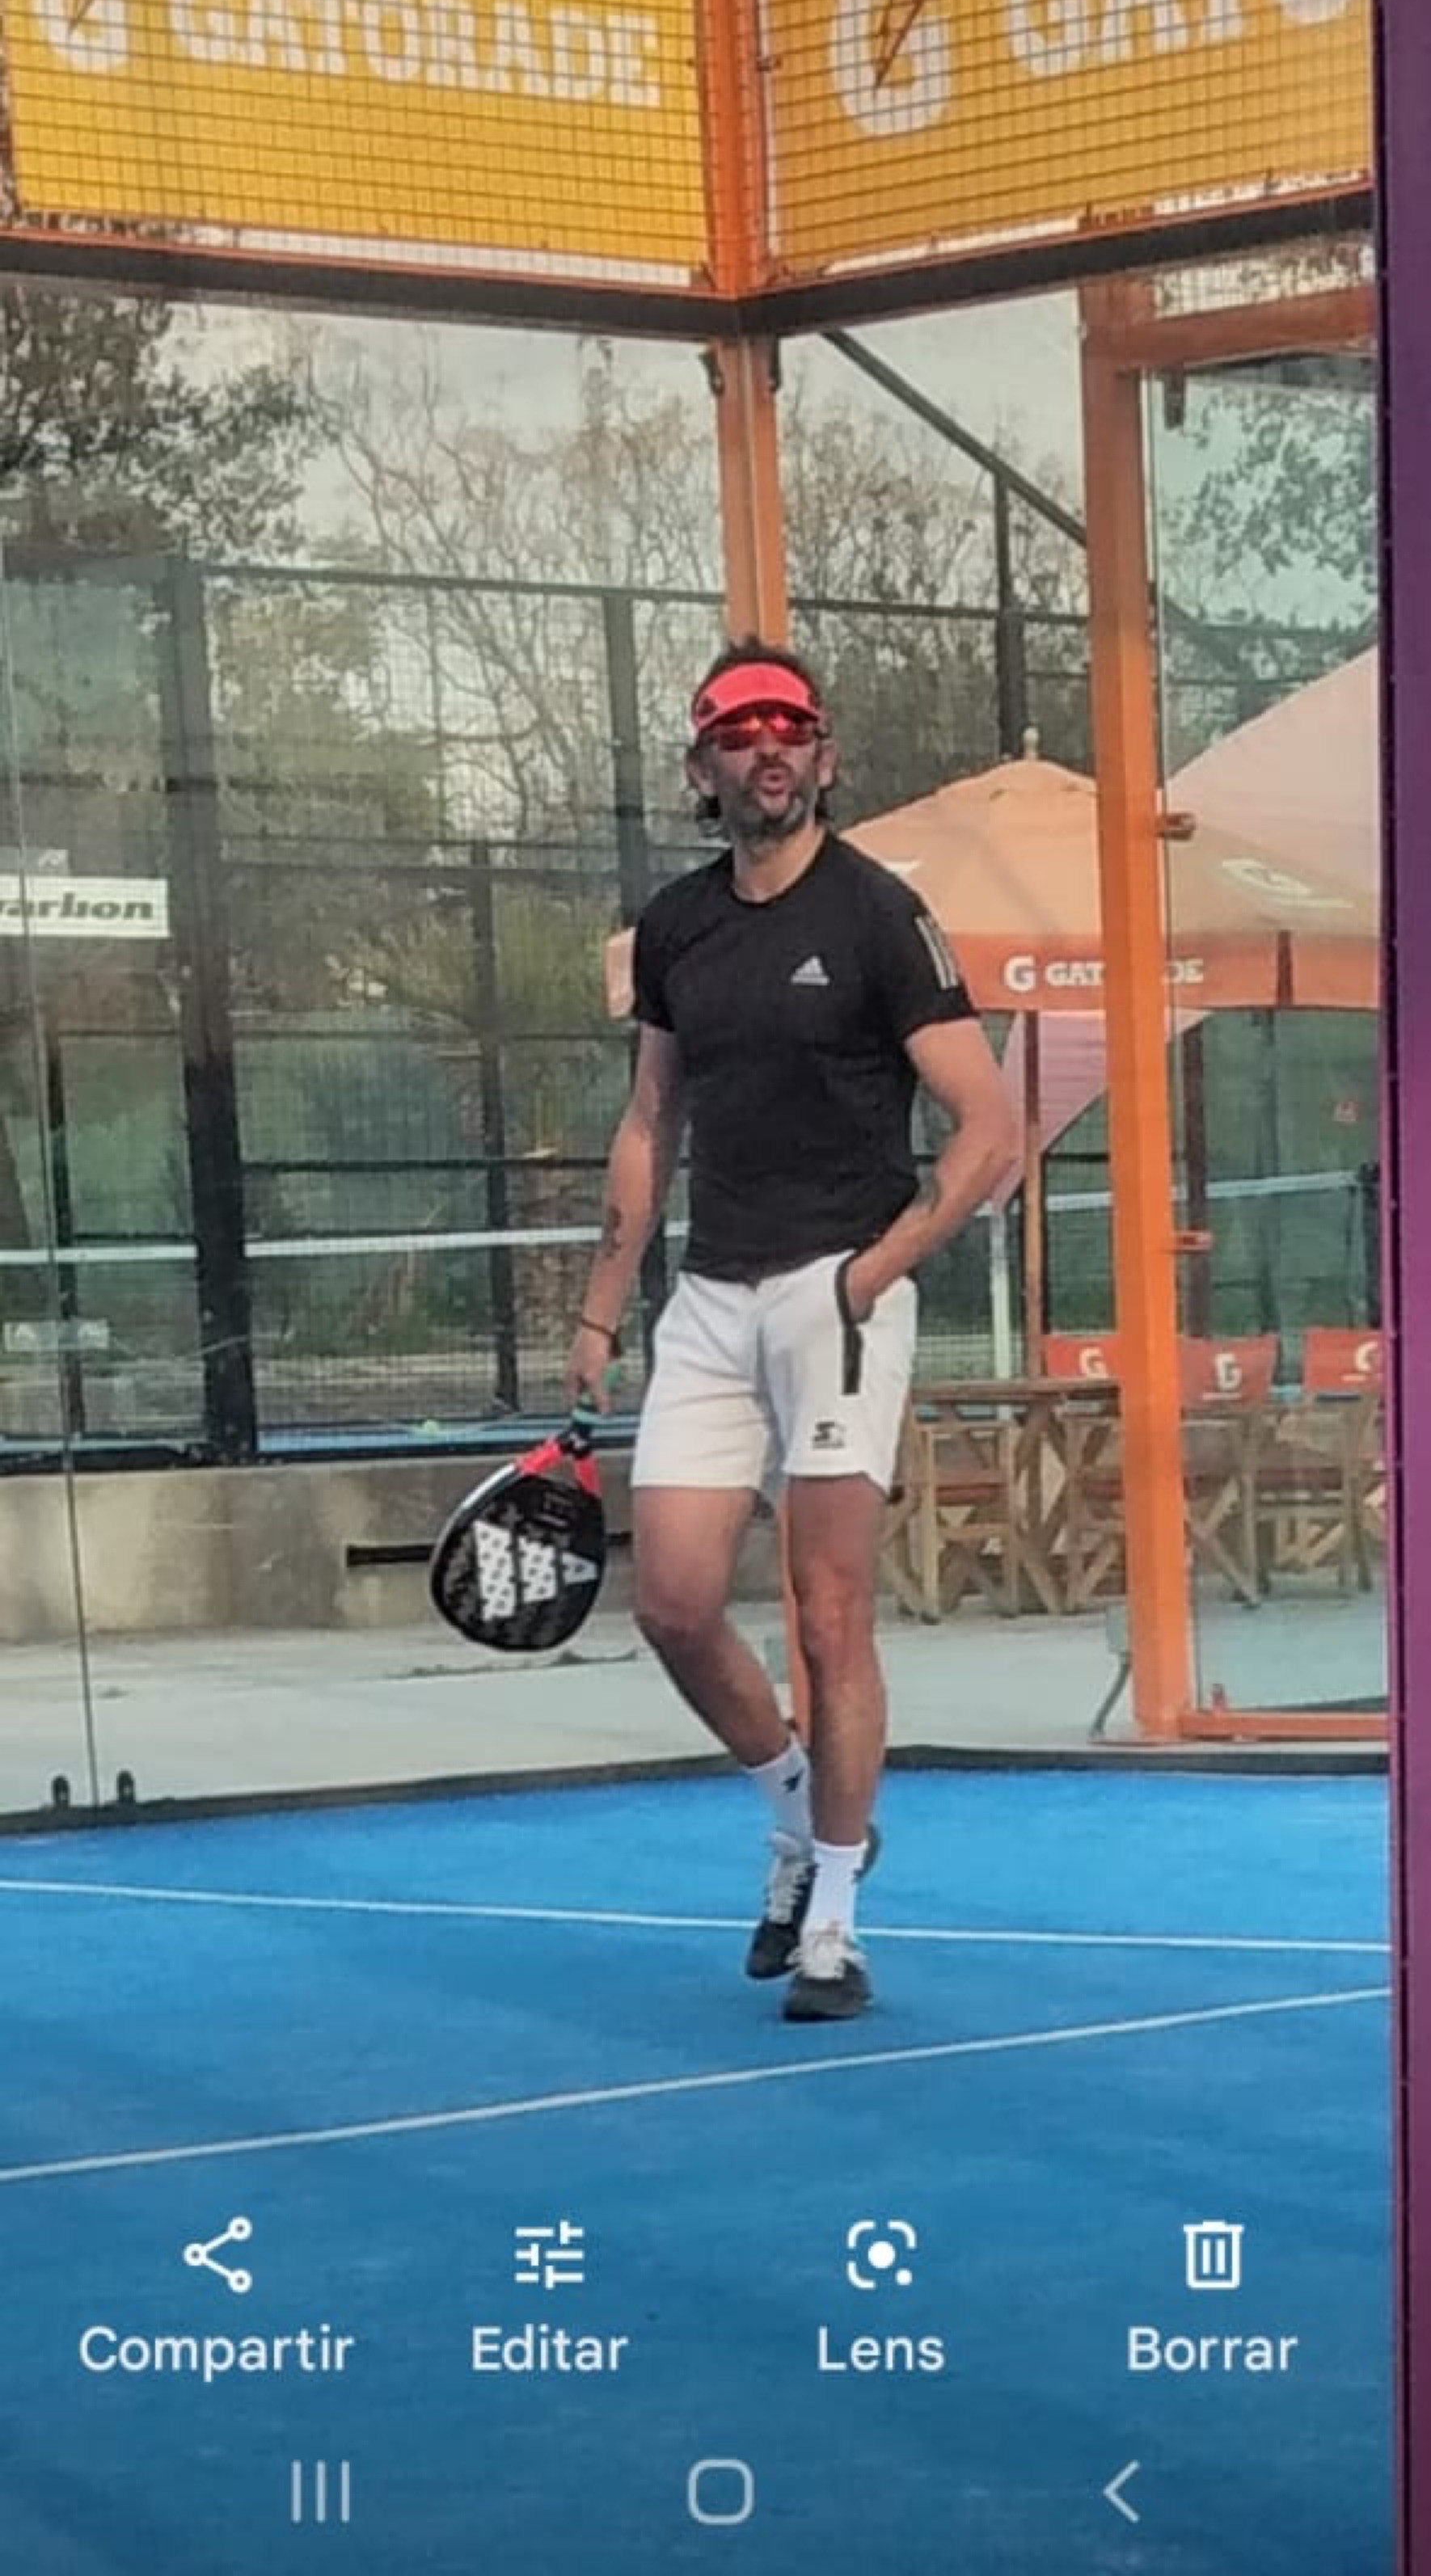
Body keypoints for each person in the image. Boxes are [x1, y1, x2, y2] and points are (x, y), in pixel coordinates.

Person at [566, 639, 1016, 2020]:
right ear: (701, 769)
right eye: (737, 731)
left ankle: (832, 1924)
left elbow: (987, 1129)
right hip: (707, 1303)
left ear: (823, 756)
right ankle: (798, 1814)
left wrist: (870, 1277)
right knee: (673, 1605)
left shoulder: (880, 916)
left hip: (836, 1293)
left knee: (827, 1617)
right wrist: (598, 1311)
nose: (766, 747)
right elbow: (651, 1121)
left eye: (788, 727)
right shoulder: (675, 928)